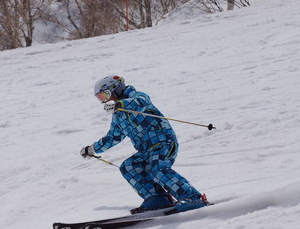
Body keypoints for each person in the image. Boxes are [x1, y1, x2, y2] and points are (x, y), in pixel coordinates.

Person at [80, 75, 207, 214]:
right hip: (146, 151)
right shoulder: (118, 116)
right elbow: (113, 137)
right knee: (129, 166)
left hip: (163, 143)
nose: (104, 100)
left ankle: (192, 198)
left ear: (115, 89)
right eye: (100, 98)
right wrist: (92, 149)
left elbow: (140, 101)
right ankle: (157, 198)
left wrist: (120, 104)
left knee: (157, 168)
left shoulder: (136, 96)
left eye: (105, 95)